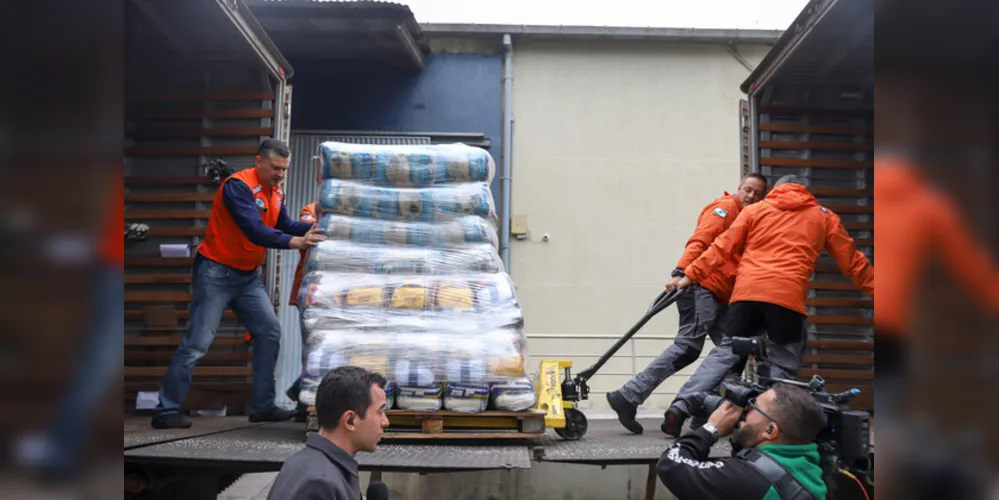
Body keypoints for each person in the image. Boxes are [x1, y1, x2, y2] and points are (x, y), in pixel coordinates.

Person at [663, 175, 874, 434]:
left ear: (776, 190)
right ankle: (771, 426)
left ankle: (682, 405)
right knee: (783, 364)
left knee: (726, 351)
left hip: (746, 295)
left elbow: (722, 246)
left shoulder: (755, 210)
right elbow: (853, 263)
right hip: (786, 297)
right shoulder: (823, 215)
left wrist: (690, 274)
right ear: (804, 191)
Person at [152, 139, 328, 429]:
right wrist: (298, 241)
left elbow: (282, 224)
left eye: (284, 169)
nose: (280, 174)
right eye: (275, 168)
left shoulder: (276, 191)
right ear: (258, 161)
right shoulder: (238, 187)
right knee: (197, 343)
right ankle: (165, 409)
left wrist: (316, 230)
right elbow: (255, 230)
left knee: (269, 332)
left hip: (247, 276)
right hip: (217, 273)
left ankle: (262, 407)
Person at [606, 173, 768, 434]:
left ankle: (709, 413)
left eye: (757, 193)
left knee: (732, 350)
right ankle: (629, 395)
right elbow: (701, 239)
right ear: (738, 188)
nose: (750, 196)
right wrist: (681, 271)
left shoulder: (749, 217)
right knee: (688, 347)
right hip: (702, 287)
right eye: (747, 190)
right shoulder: (726, 208)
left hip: (719, 295)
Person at [657, 384, 828, 500]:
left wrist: (711, 428)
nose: (745, 411)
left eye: (754, 407)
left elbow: (671, 465)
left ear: (770, 430)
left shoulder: (746, 479)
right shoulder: (809, 469)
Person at [267, 366, 390, 500]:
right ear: (350, 420)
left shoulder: (310, 464)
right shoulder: (320, 484)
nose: (386, 422)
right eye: (380, 412)